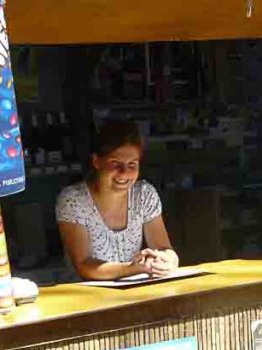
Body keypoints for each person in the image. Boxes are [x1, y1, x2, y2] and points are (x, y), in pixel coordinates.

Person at [56, 120, 179, 280]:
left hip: (134, 290)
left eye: (132, 164)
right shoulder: (73, 200)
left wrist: (167, 262)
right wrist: (132, 268)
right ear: (96, 161)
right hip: (85, 293)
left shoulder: (144, 194)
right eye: (115, 163)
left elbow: (164, 248)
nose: (124, 172)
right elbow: (84, 266)